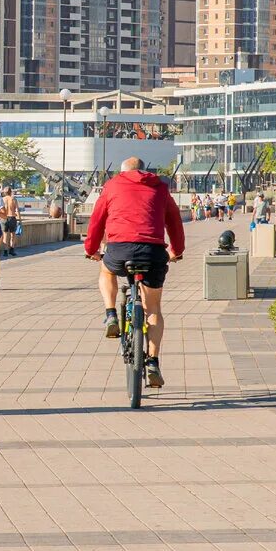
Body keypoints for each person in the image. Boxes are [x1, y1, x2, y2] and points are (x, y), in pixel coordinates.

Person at [84, 156, 185, 390]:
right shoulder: (160, 187)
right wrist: (176, 250)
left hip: (120, 249)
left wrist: (91, 250)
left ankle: (110, 314)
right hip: (152, 252)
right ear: (143, 170)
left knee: (106, 270)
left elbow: (97, 220)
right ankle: (153, 362)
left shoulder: (112, 186)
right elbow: (174, 221)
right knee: (154, 310)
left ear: (122, 172)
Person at [1, 186, 21, 257]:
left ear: (4, 192)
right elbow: (17, 210)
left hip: (4, 218)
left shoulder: (2, 199)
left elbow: (0, 211)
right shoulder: (14, 199)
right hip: (12, 218)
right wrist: (19, 220)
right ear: (11, 192)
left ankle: (5, 251)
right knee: (13, 235)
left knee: (5, 235)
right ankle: (11, 250)